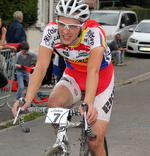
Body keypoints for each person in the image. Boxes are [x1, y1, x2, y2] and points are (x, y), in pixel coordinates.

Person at [12, 0, 114, 155]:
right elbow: (41, 67)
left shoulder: (94, 33)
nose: (65, 31)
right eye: (61, 24)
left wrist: (89, 102)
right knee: (54, 103)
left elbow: (93, 70)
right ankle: (62, 144)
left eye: (72, 26)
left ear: (83, 26)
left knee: (94, 141)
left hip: (100, 79)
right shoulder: (51, 31)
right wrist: (26, 99)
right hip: (73, 75)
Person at [13, 41, 38, 108]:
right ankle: (16, 99)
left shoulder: (29, 53)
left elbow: (38, 55)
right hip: (19, 72)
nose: (26, 52)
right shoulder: (18, 55)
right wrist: (17, 65)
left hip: (27, 71)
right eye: (25, 51)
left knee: (31, 85)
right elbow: (13, 63)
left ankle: (27, 97)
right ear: (21, 50)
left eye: (27, 51)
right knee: (21, 86)